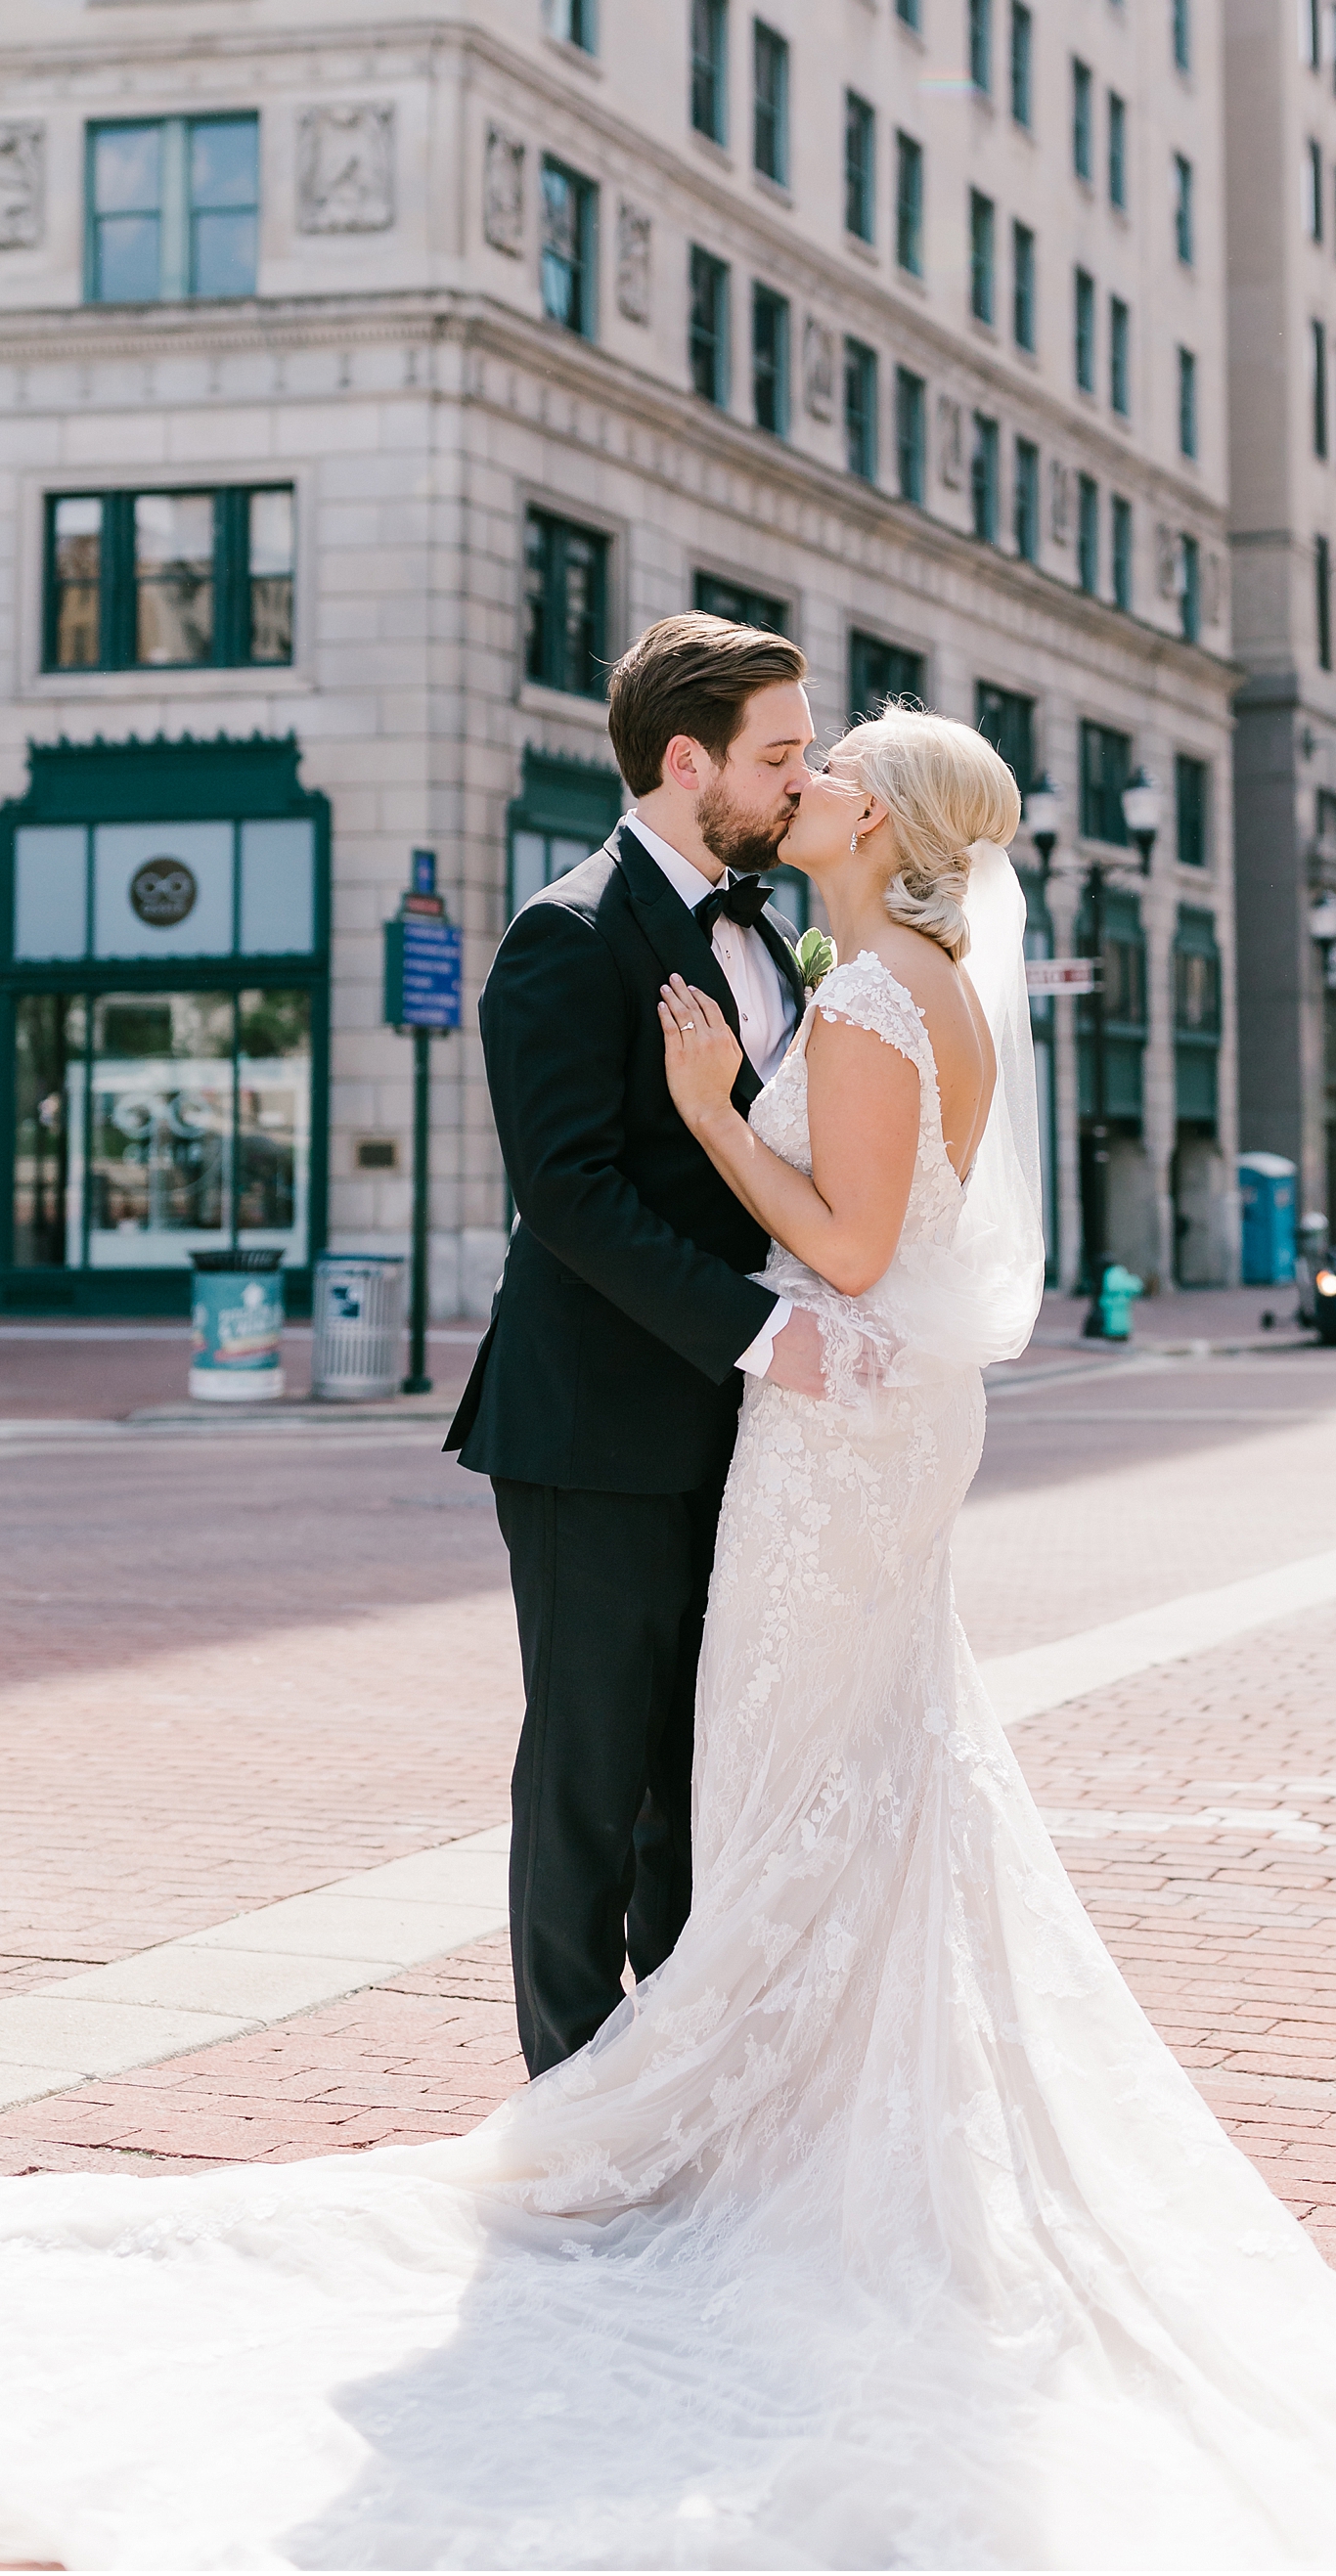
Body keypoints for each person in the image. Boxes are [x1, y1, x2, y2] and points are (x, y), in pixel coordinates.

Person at [0, 711, 1336, 2571]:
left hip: (835, 1419)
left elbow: (834, 1242)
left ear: (877, 830)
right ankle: (777, 2113)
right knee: (851, 1763)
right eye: (788, 747)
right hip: (877, 1412)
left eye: (829, 766)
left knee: (789, 1762)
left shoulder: (853, 987)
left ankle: (734, 2128)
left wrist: (707, 1103)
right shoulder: (911, 986)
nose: (804, 773)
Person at [442, 610, 829, 2079]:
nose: (799, 780)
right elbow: (571, 1195)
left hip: (741, 1425)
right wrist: (761, 1332)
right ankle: (569, 2099)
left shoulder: (771, 934)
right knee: (593, 1769)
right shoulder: (568, 932)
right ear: (688, 761)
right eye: (778, 754)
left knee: (696, 1767)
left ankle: (667, 2084)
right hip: (594, 1426)